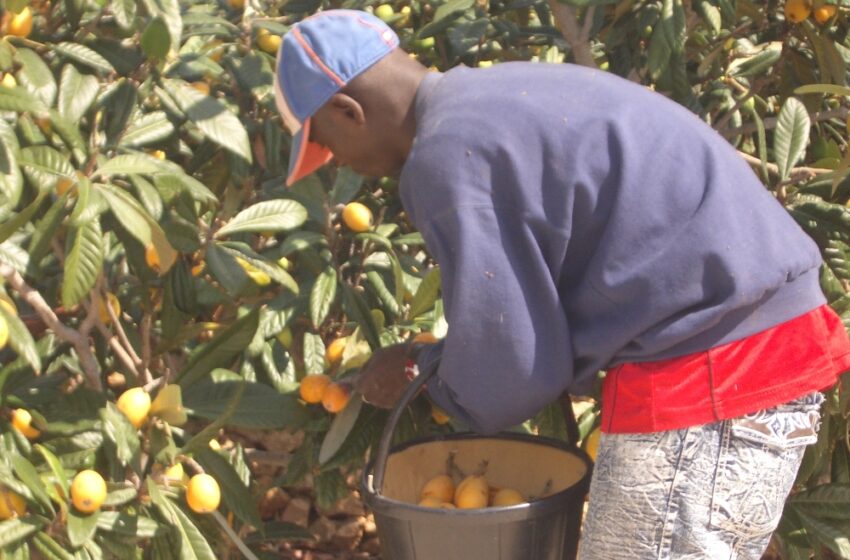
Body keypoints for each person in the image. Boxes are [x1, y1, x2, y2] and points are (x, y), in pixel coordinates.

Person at [273, 10, 850, 559]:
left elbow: (513, 366)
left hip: (713, 369)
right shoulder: (496, 97)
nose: (342, 165)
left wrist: (424, 380)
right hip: (748, 342)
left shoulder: (445, 154)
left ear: (348, 111)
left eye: (326, 145)